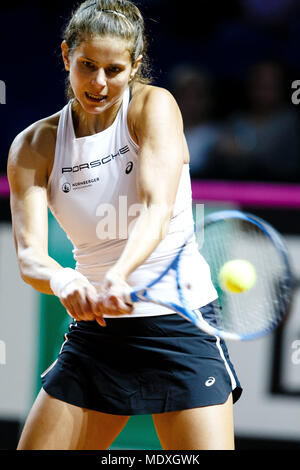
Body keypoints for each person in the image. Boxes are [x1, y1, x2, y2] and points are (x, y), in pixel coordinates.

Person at [7, 0, 242, 450]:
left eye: (114, 69)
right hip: (97, 336)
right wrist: (63, 279)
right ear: (65, 56)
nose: (98, 82)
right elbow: (29, 256)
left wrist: (119, 274)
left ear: (135, 65)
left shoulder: (154, 107)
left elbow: (157, 209)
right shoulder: (34, 147)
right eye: (86, 65)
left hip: (180, 325)